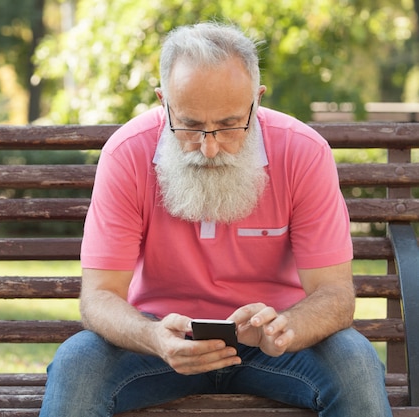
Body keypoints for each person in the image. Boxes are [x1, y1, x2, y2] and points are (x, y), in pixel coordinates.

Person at [39, 22, 392, 417]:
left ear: (256, 101)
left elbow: (335, 295)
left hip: (275, 346)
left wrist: (285, 328)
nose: (209, 149)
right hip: (160, 342)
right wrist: (153, 336)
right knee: (76, 363)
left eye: (228, 125)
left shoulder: (304, 152)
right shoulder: (125, 153)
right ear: (163, 101)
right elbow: (99, 296)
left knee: (355, 360)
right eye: (189, 125)